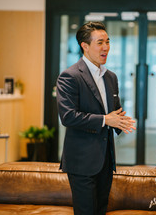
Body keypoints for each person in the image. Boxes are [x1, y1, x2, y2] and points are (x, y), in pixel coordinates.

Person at [56, 21, 136, 215]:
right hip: (82, 162)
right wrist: (105, 120)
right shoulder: (70, 76)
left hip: (106, 161)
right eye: (100, 42)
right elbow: (68, 116)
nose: (106, 47)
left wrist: (120, 122)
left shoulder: (111, 77)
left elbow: (113, 112)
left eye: (108, 42)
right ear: (85, 46)